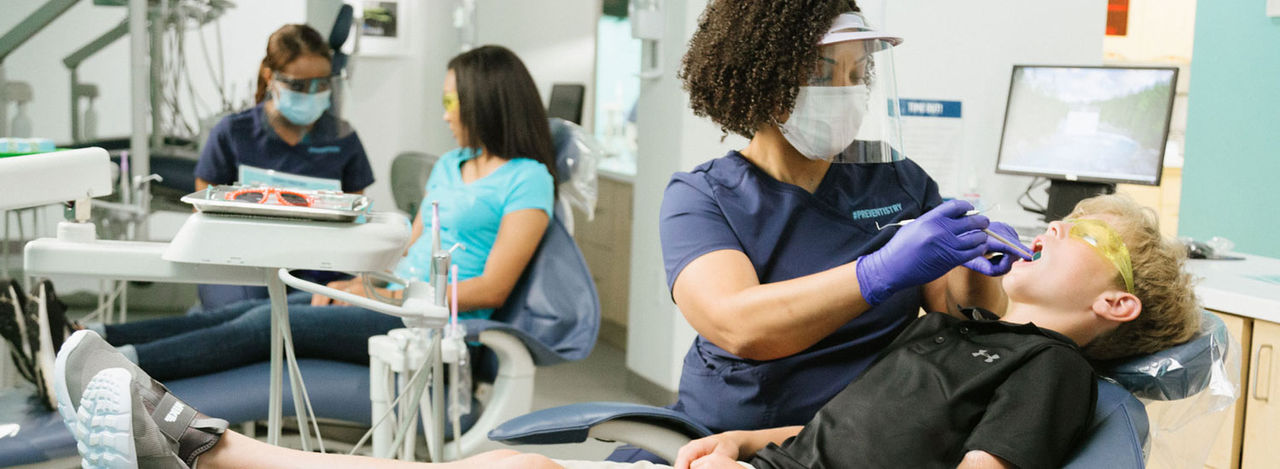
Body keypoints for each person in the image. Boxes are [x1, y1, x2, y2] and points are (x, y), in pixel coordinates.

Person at [53, 194, 1201, 469]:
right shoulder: (955, 335)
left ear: (1111, 305)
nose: (1040, 231)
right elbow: (855, 423)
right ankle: (199, 444)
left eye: (1072, 238)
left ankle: (203, 446)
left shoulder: (1052, 376)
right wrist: (743, 442)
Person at [3, 46, 556, 402]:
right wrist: (358, 284)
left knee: (267, 326)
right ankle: (81, 339)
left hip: (434, 326)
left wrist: (381, 294)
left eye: (452, 100)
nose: (445, 112)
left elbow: (493, 287)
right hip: (389, 302)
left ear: (486, 101)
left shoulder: (528, 179)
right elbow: (408, 250)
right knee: (250, 310)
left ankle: (96, 374)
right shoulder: (451, 166)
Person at [612, 2, 1030, 461]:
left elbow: (960, 314)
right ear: (760, 79)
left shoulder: (898, 179)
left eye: (857, 74)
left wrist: (973, 260)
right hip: (718, 438)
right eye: (819, 73)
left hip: (850, 441)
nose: (845, 93)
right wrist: (876, 272)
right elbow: (740, 326)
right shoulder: (702, 196)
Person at [193, 24, 376, 310]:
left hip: (319, 268)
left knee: (312, 313)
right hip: (241, 264)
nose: (312, 93)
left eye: (321, 84)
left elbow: (356, 220)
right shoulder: (234, 133)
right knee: (246, 315)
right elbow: (204, 210)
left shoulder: (343, 139)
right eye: (299, 86)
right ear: (270, 77)